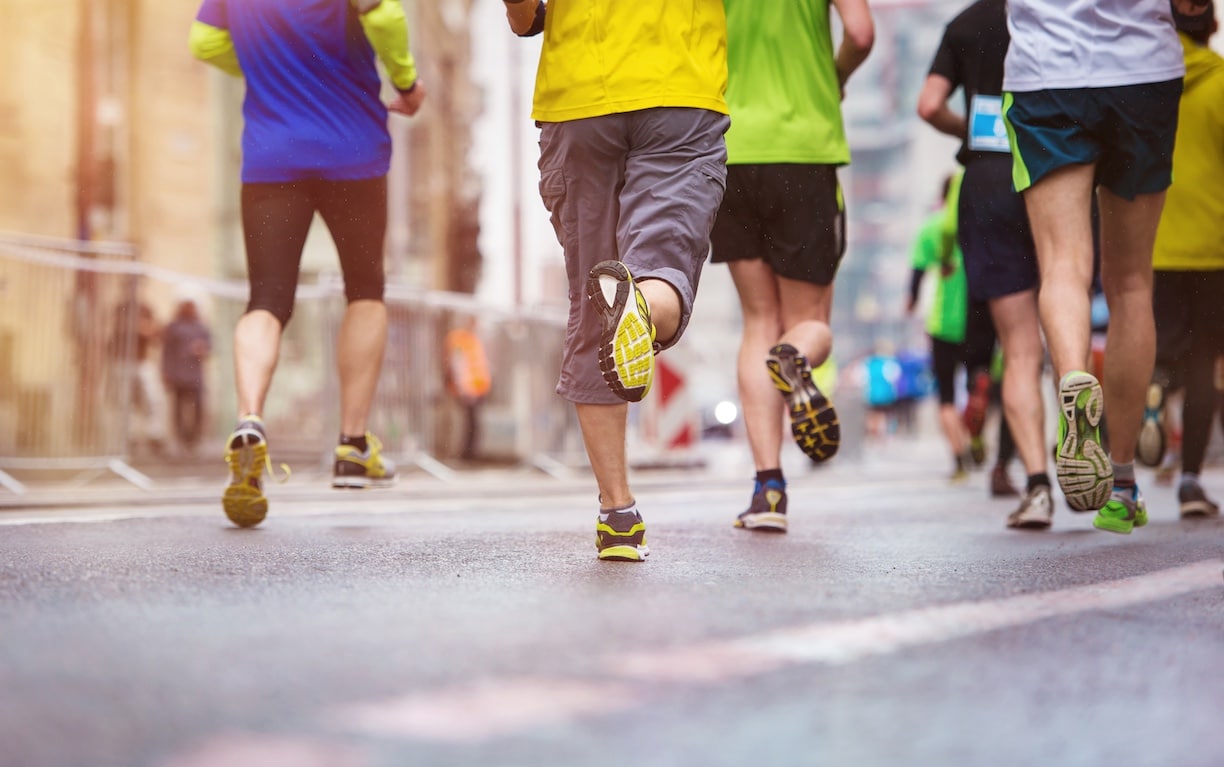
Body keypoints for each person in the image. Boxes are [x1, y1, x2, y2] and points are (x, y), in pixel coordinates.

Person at [504, 0, 730, 560]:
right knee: (662, 268)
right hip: (681, 88)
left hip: (579, 95)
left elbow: (522, 12)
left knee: (595, 302)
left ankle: (618, 512)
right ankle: (643, 310)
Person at [190, 0, 426, 528]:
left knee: (267, 299)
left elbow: (203, 42)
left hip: (272, 158)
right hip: (354, 154)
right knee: (365, 291)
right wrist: (407, 83)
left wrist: (265, 66)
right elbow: (385, 16)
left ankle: (250, 420)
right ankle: (352, 446)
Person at [1002, 0, 1189, 534]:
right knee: (1130, 281)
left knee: (1064, 265)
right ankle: (1124, 486)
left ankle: (1074, 378)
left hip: (1046, 71)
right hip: (1142, 70)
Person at [708, 0, 873, 533]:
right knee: (810, 323)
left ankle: (768, 490)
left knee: (758, 320)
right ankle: (795, 356)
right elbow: (862, 34)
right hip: (804, 147)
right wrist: (833, 77)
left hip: (731, 147)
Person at [918, 0, 1055, 529]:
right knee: (1062, 317)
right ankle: (1101, 461)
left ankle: (1037, 482)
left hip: (989, 183)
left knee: (1017, 351)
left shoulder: (965, 24)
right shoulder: (1055, 15)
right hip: (1052, 169)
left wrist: (970, 135)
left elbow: (929, 104)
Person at [1138, 0, 1224, 519]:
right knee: (1205, 364)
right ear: (1211, 24)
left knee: (1162, 347)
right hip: (1215, 247)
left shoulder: (1151, 86)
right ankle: (1190, 480)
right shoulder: (1222, 83)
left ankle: (1154, 384)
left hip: (1156, 243)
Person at [906, 175, 974, 483]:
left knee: (946, 395)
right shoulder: (979, 223)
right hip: (979, 319)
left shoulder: (932, 227)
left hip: (943, 322)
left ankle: (959, 457)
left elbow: (917, 273)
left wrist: (910, 302)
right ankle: (976, 437)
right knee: (978, 386)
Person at [108, 299, 170, 457]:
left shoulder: (145, 307)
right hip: (122, 362)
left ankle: (154, 435)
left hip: (142, 361)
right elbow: (116, 330)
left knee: (153, 398)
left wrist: (144, 328)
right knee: (125, 400)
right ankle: (130, 436)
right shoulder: (120, 306)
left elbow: (155, 332)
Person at [160, 293, 213, 457]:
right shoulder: (173, 327)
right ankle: (181, 438)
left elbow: (210, 347)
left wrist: (202, 349)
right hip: (177, 374)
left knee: (197, 408)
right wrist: (166, 371)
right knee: (178, 409)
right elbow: (166, 352)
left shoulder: (201, 327)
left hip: (195, 375)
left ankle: (194, 439)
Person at [444, 317, 491, 462]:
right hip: (467, 390)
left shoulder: (473, 340)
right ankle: (463, 455)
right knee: (466, 424)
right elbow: (458, 364)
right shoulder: (460, 339)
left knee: (473, 424)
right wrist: (464, 387)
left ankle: (469, 455)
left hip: (477, 390)